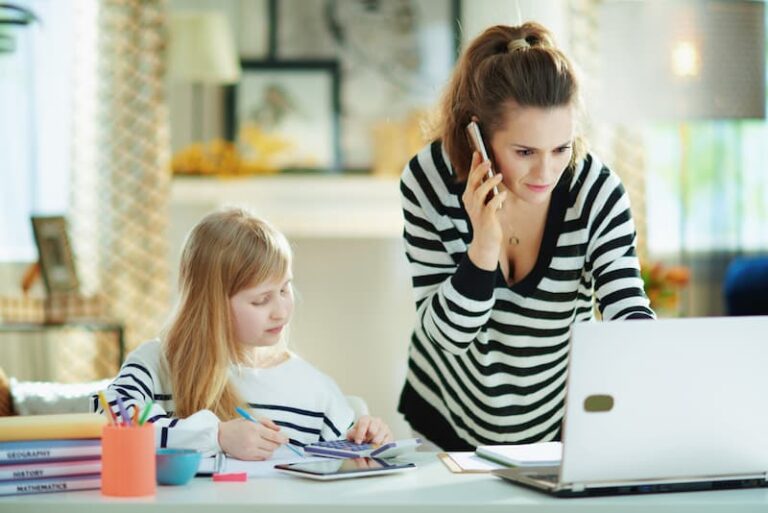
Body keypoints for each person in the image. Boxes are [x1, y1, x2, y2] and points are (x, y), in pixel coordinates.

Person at [397, 22, 655, 451]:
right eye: (525, 152)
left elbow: (626, 307)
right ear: (476, 135)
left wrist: (652, 364)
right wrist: (483, 245)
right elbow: (446, 338)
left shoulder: (596, 192)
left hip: (554, 426)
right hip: (445, 419)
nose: (546, 173)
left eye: (561, 148)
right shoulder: (428, 182)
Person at [92, 208, 392, 460]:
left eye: (285, 289)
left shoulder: (316, 391)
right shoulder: (156, 363)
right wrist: (217, 436)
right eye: (261, 299)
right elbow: (107, 420)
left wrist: (368, 441)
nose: (281, 310)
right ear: (211, 305)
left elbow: (346, 469)